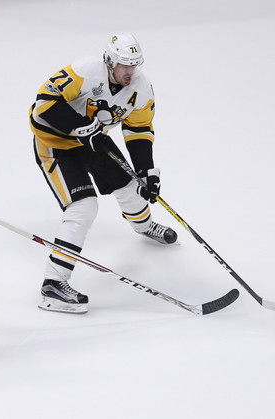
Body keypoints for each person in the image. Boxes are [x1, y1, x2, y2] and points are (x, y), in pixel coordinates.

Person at [30, 33, 177, 314]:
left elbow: (139, 128)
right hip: (56, 144)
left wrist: (147, 171)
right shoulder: (86, 70)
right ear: (109, 61)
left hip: (94, 141)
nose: (129, 71)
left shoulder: (141, 88)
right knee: (83, 208)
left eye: (134, 65)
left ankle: (143, 226)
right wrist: (80, 128)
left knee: (132, 187)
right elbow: (43, 106)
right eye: (124, 65)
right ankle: (53, 285)